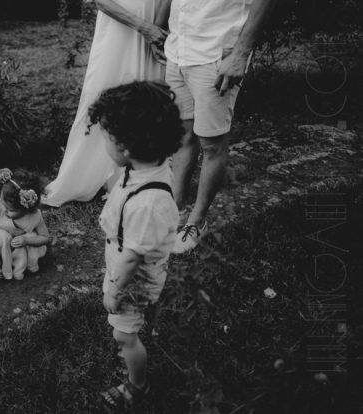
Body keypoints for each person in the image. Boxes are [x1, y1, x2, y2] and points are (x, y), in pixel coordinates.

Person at [89, 81, 183, 410]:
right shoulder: (149, 167)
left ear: (125, 146)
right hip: (133, 268)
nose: (104, 143)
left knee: (124, 335)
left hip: (133, 283)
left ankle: (137, 385)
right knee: (126, 327)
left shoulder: (148, 205)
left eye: (105, 137)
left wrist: (113, 291)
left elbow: (131, 259)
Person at [159, 0, 276, 253]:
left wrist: (241, 54)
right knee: (182, 134)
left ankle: (197, 221)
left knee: (211, 143)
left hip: (215, 52)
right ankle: (176, 210)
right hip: (179, 49)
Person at [41, 0, 169, 207]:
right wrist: (144, 27)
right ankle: (80, 177)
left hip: (154, 26)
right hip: (118, 33)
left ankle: (133, 179)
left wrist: (157, 32)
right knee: (102, 95)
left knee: (145, 101)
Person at [0, 168, 50, 281]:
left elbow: (45, 237)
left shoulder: (34, 216)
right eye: (2, 204)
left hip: (17, 241)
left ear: (27, 208)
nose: (4, 210)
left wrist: (27, 240)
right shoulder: (2, 204)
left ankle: (17, 265)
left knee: (27, 239)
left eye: (10, 210)